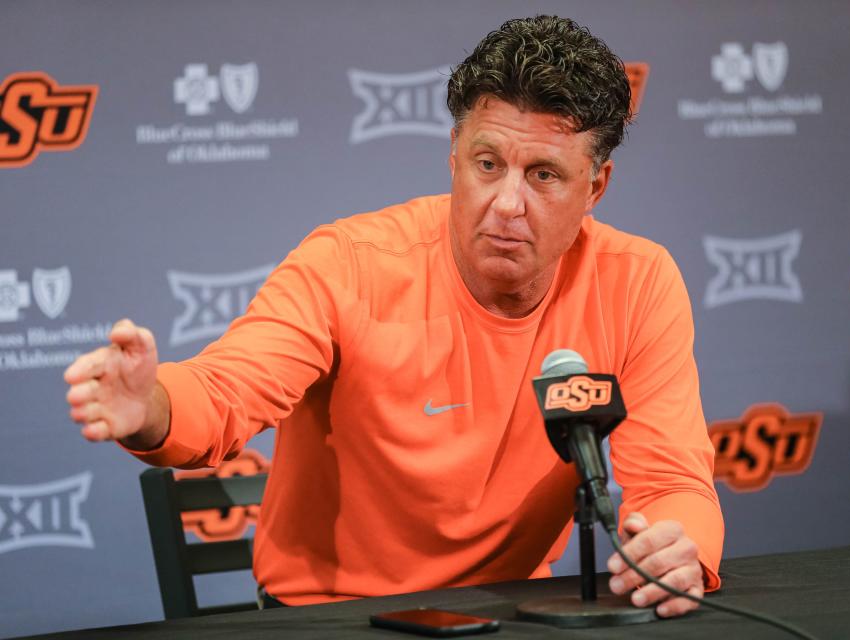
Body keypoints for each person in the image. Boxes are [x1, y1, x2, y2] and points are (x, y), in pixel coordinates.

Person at [64, 16, 723, 619]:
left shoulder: (636, 281)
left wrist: (678, 546)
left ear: (595, 187)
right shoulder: (347, 263)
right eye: (487, 165)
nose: (506, 205)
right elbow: (230, 385)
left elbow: (669, 479)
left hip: (512, 610)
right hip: (329, 615)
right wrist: (151, 404)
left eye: (544, 174)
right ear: (454, 158)